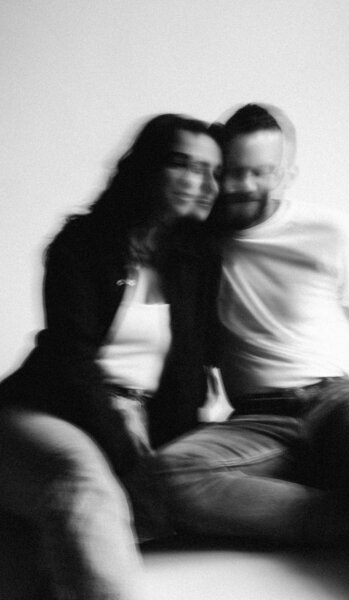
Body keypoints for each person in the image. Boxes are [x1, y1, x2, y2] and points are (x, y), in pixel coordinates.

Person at [0, 113, 222, 600]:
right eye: (186, 165)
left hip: (130, 417)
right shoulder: (82, 244)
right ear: (147, 168)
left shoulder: (196, 259)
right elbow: (70, 362)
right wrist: (124, 447)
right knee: (86, 484)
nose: (206, 184)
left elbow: (188, 370)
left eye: (213, 171)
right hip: (48, 409)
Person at [157, 103, 349, 547]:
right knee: (166, 475)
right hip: (258, 419)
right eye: (233, 172)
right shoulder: (196, 244)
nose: (243, 186)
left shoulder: (336, 233)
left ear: (287, 175)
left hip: (339, 398)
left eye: (261, 172)